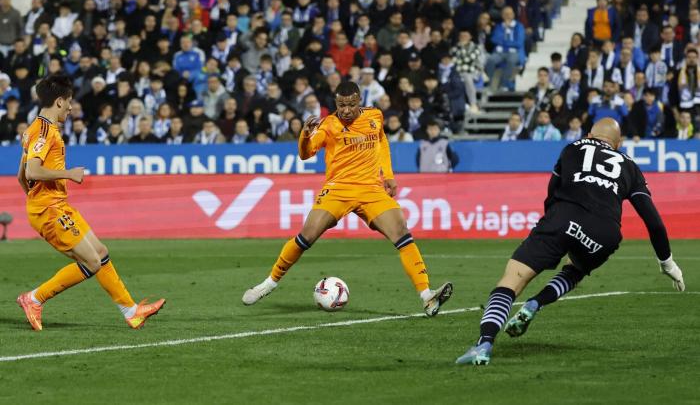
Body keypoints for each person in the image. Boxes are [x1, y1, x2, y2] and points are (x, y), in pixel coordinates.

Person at [456, 118, 685, 366]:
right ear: (618, 144)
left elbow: (552, 193)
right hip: (604, 233)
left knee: (512, 280)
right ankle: (537, 302)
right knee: (575, 270)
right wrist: (667, 262)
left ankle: (484, 344)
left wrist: (552, 227)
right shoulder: (630, 166)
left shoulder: (573, 148)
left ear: (588, 135)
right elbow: (654, 222)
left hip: (563, 218)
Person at [242, 82, 453, 316]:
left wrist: (389, 175)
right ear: (336, 103)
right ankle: (268, 284)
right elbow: (304, 154)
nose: (346, 110)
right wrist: (304, 134)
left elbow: (381, 140)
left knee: (402, 233)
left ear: (359, 101)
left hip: (371, 189)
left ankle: (427, 296)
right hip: (338, 189)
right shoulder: (328, 124)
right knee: (306, 236)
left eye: (351, 104)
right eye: (341, 105)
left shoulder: (375, 115)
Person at [15, 75, 165, 331]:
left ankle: (132, 312)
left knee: (100, 252)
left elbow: (21, 176)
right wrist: (67, 174)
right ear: (59, 102)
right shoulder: (43, 131)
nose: (72, 107)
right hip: (49, 210)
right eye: (70, 102)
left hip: (55, 206)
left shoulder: (37, 129)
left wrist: (37, 197)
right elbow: (32, 171)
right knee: (92, 262)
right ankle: (34, 298)